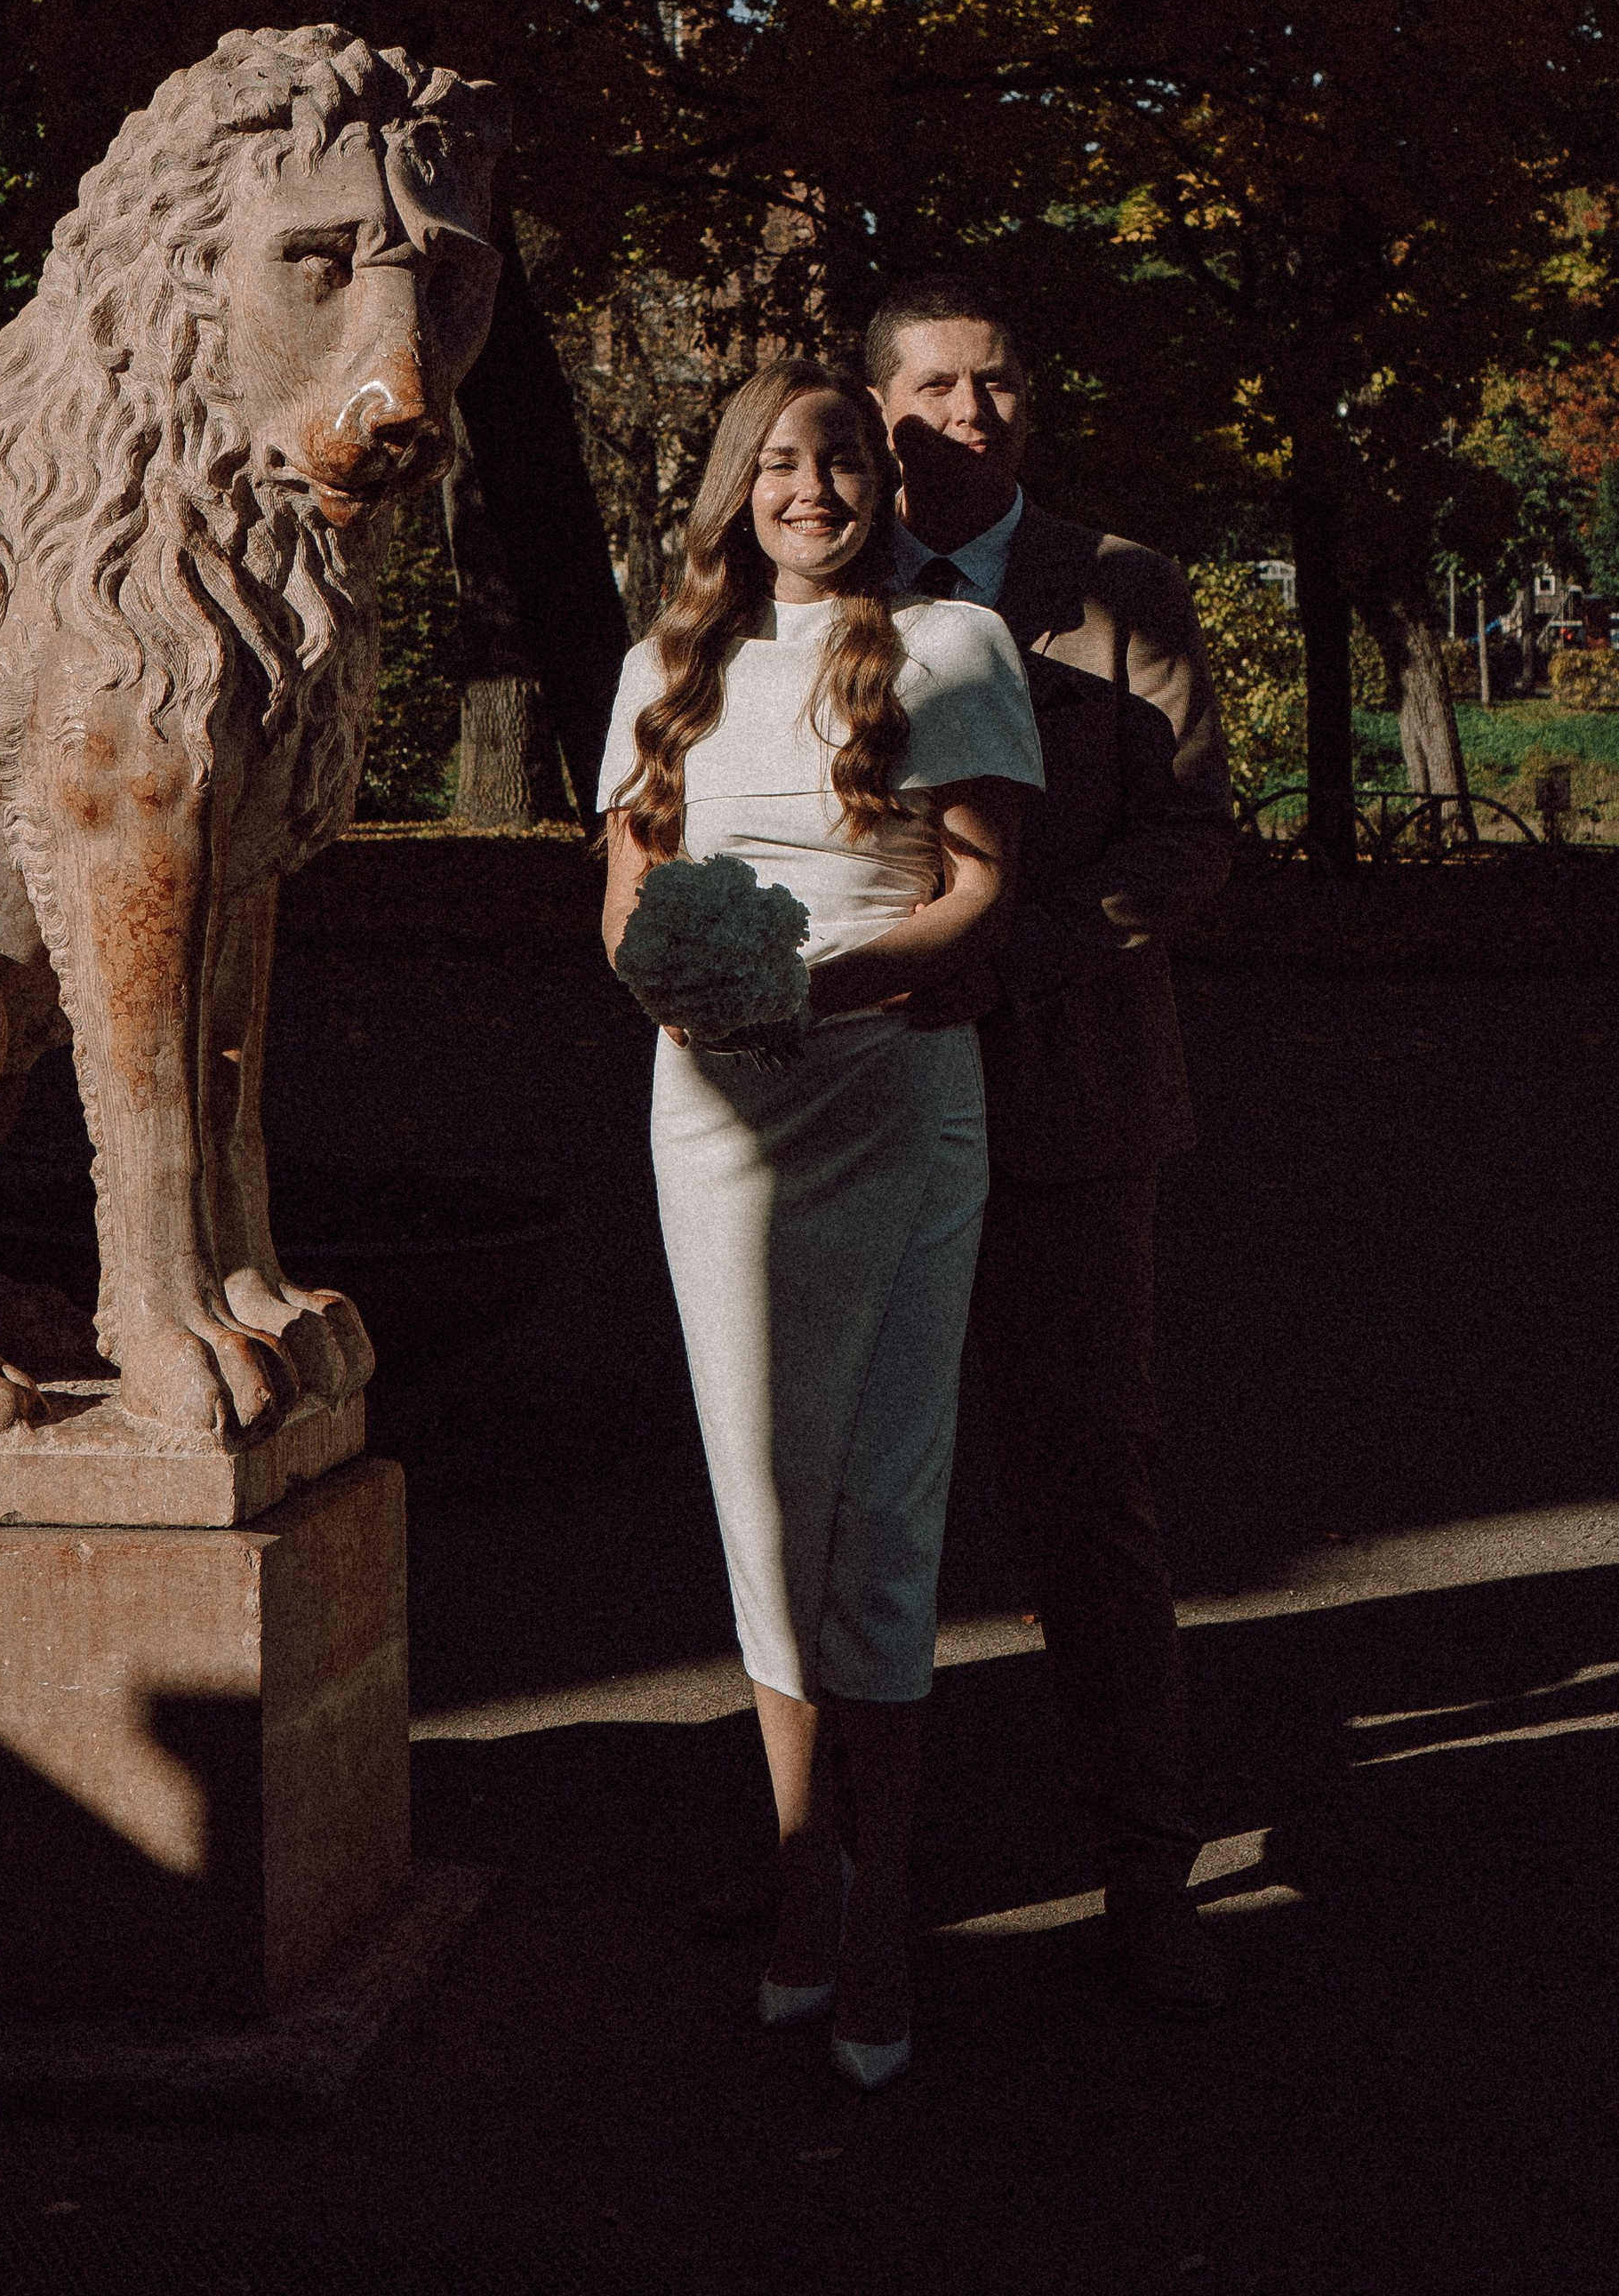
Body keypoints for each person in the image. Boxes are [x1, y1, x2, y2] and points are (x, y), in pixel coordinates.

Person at [598, 357, 1042, 2090]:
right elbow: (626, 895)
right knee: (756, 1492)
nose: (807, 487)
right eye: (775, 462)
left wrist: (813, 978)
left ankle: (883, 1910)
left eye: (839, 460)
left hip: (892, 1107)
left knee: (884, 1490)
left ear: (883, 482)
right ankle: (802, 1874)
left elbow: (982, 894)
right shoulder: (665, 668)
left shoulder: (953, 651)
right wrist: (678, 980)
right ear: (732, 486)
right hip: (713, 1122)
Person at [861, 274, 1236, 2014]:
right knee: (860, 1504)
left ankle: (1143, 1870)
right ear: (879, 412)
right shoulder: (810, 586)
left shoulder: (1116, 589)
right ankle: (834, 1865)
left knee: (1090, 1495)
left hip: (1066, 1111)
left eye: (997, 384)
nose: (972, 414)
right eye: (935, 389)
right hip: (853, 1118)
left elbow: (1183, 839)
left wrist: (1011, 955)